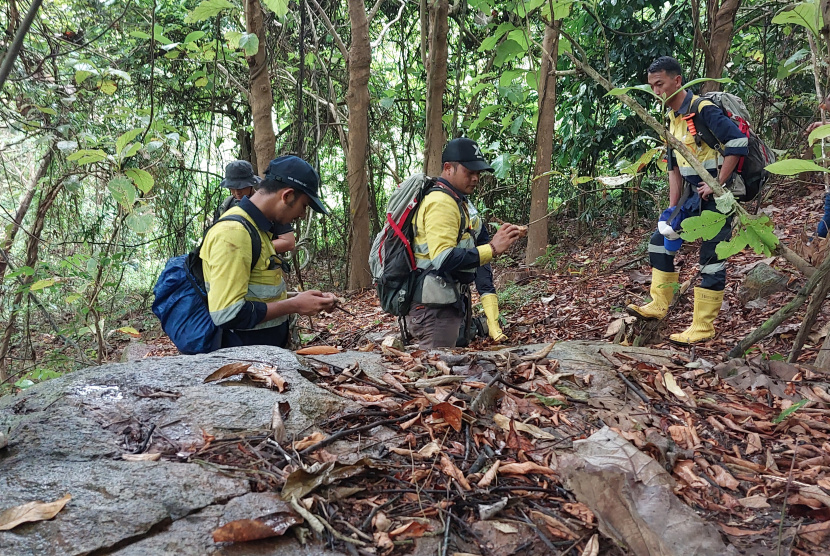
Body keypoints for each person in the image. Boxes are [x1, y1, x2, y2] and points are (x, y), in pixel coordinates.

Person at [626, 56, 748, 345]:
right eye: (651, 86)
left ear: (677, 80)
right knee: (659, 240)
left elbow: (738, 144)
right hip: (693, 196)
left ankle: (703, 326)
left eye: (660, 84)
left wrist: (718, 183)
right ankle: (659, 303)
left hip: (720, 196)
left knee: (712, 258)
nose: (656, 91)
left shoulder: (702, 109)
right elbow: (673, 166)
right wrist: (672, 207)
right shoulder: (672, 117)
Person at [200, 155, 337, 348]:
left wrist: (299, 299)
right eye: (304, 205)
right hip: (243, 357)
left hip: (262, 355)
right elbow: (228, 314)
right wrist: (295, 305)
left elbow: (254, 293)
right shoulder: (233, 233)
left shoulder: (257, 227)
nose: (302, 215)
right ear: (287, 196)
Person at [405, 138, 523, 349]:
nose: (476, 178)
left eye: (478, 173)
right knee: (436, 374)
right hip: (432, 309)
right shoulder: (440, 203)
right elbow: (444, 258)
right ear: (448, 168)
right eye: (469, 172)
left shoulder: (461, 201)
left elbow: (479, 239)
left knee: (448, 369)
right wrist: (493, 249)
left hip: (448, 302)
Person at [215, 160, 296, 254]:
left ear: (251, 184)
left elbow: (288, 242)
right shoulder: (226, 206)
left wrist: (250, 250)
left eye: (242, 187)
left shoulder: (268, 206)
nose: (237, 192)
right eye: (233, 187)